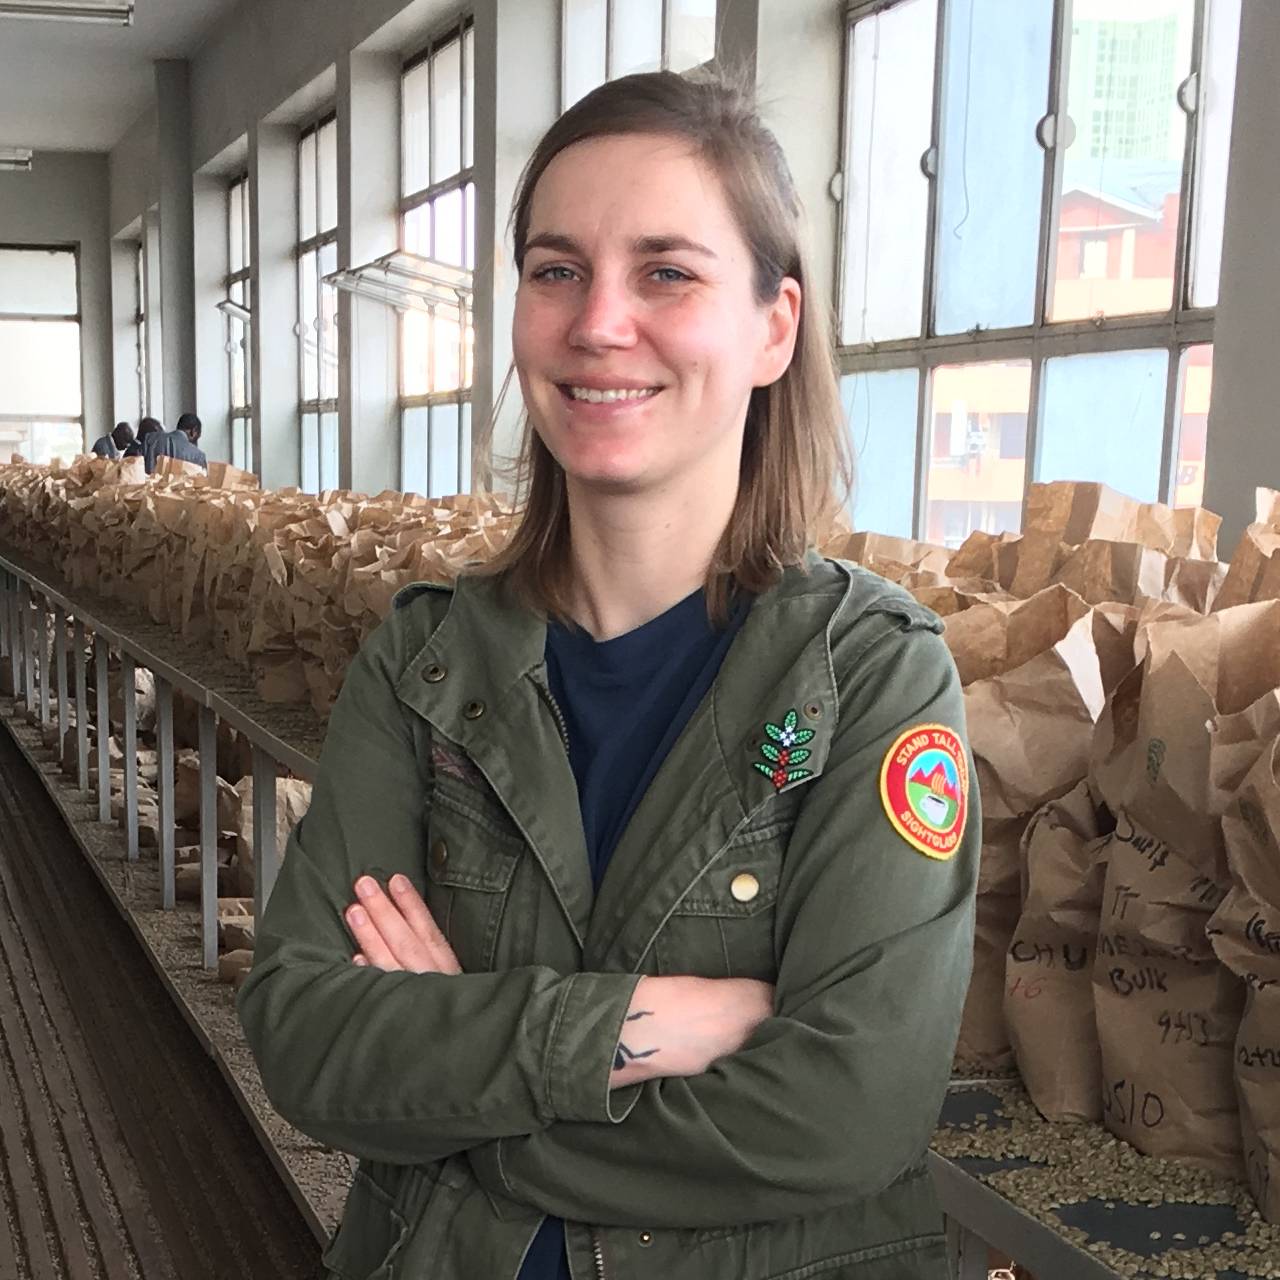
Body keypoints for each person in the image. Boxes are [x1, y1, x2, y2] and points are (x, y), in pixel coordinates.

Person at [238, 69, 980, 1280]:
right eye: (556, 270)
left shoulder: (868, 677)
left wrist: (458, 1097)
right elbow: (305, 1035)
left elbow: (842, 1109)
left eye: (665, 273)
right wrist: (640, 1028)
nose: (596, 322)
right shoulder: (427, 662)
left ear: (772, 326)